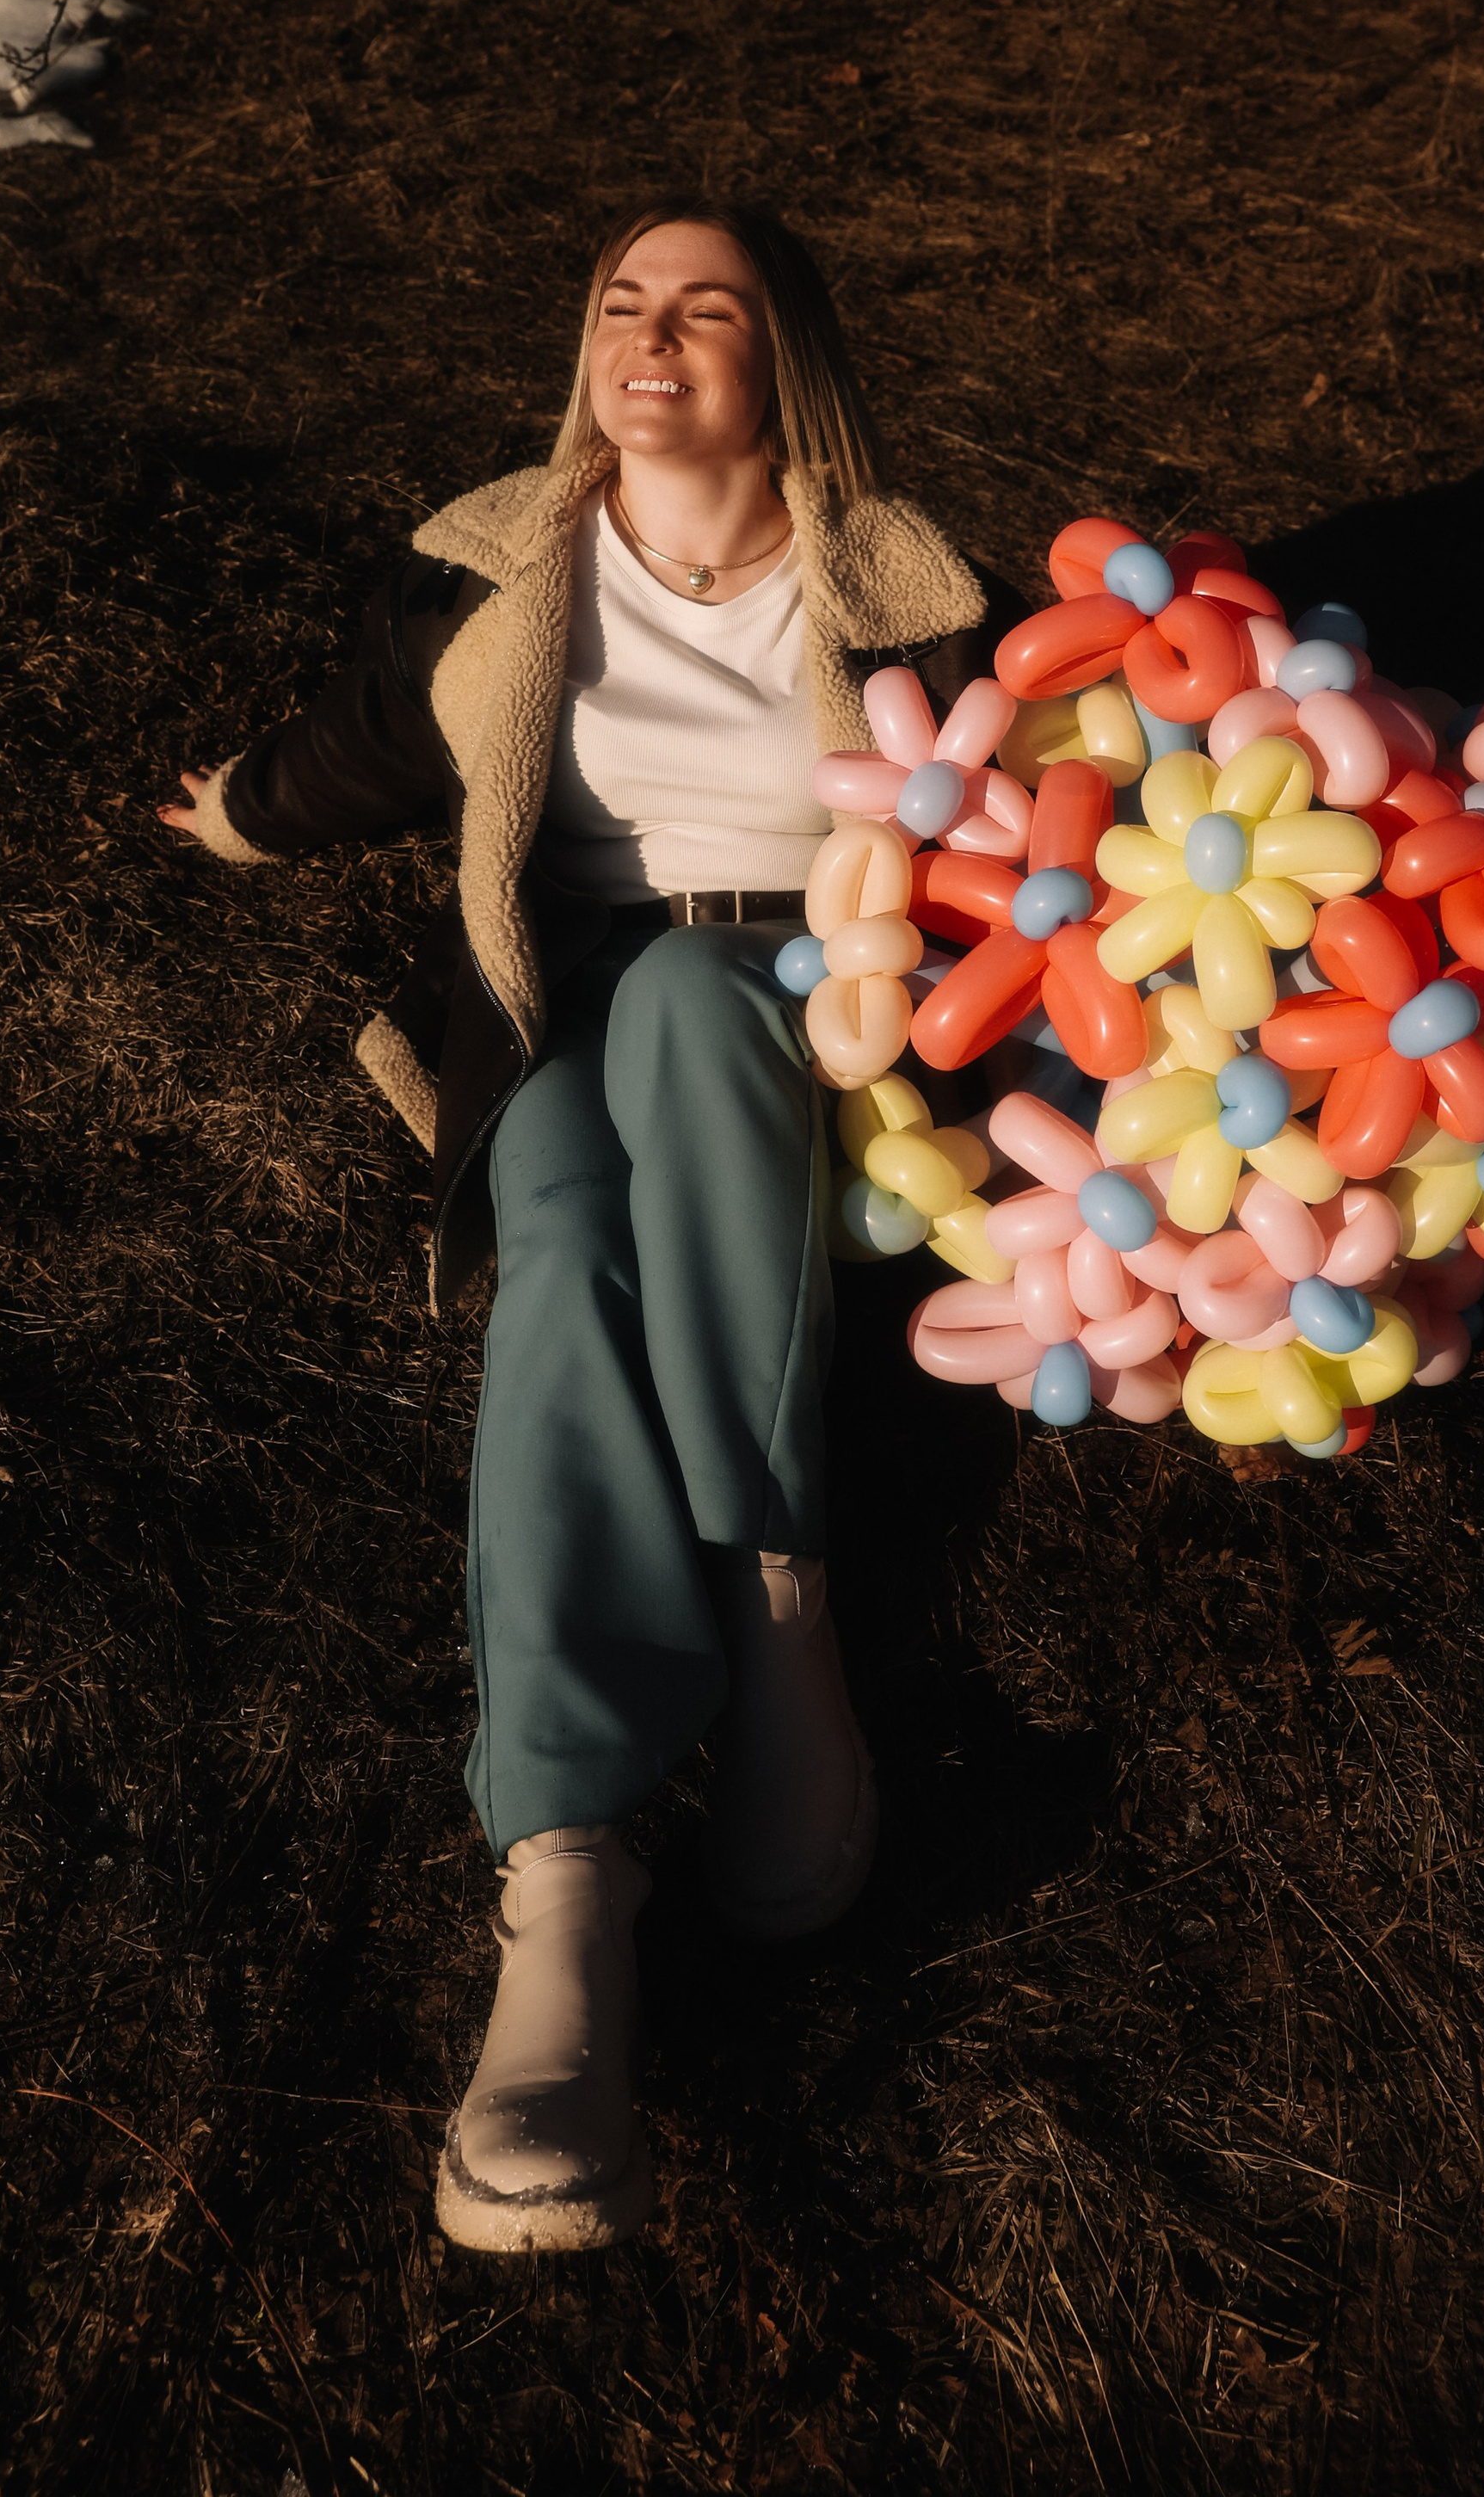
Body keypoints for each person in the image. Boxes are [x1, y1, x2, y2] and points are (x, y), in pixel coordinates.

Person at [161, 200, 1013, 2253]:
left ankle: (777, 1629)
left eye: (706, 305)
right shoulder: (505, 559)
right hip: (558, 981)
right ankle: (563, 1874)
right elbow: (387, 737)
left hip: (791, 981)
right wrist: (246, 809)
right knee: (553, 1248)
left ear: (783, 359)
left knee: (702, 1022)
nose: (652, 333)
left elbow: (1023, 808)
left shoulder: (904, 588)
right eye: (624, 300)